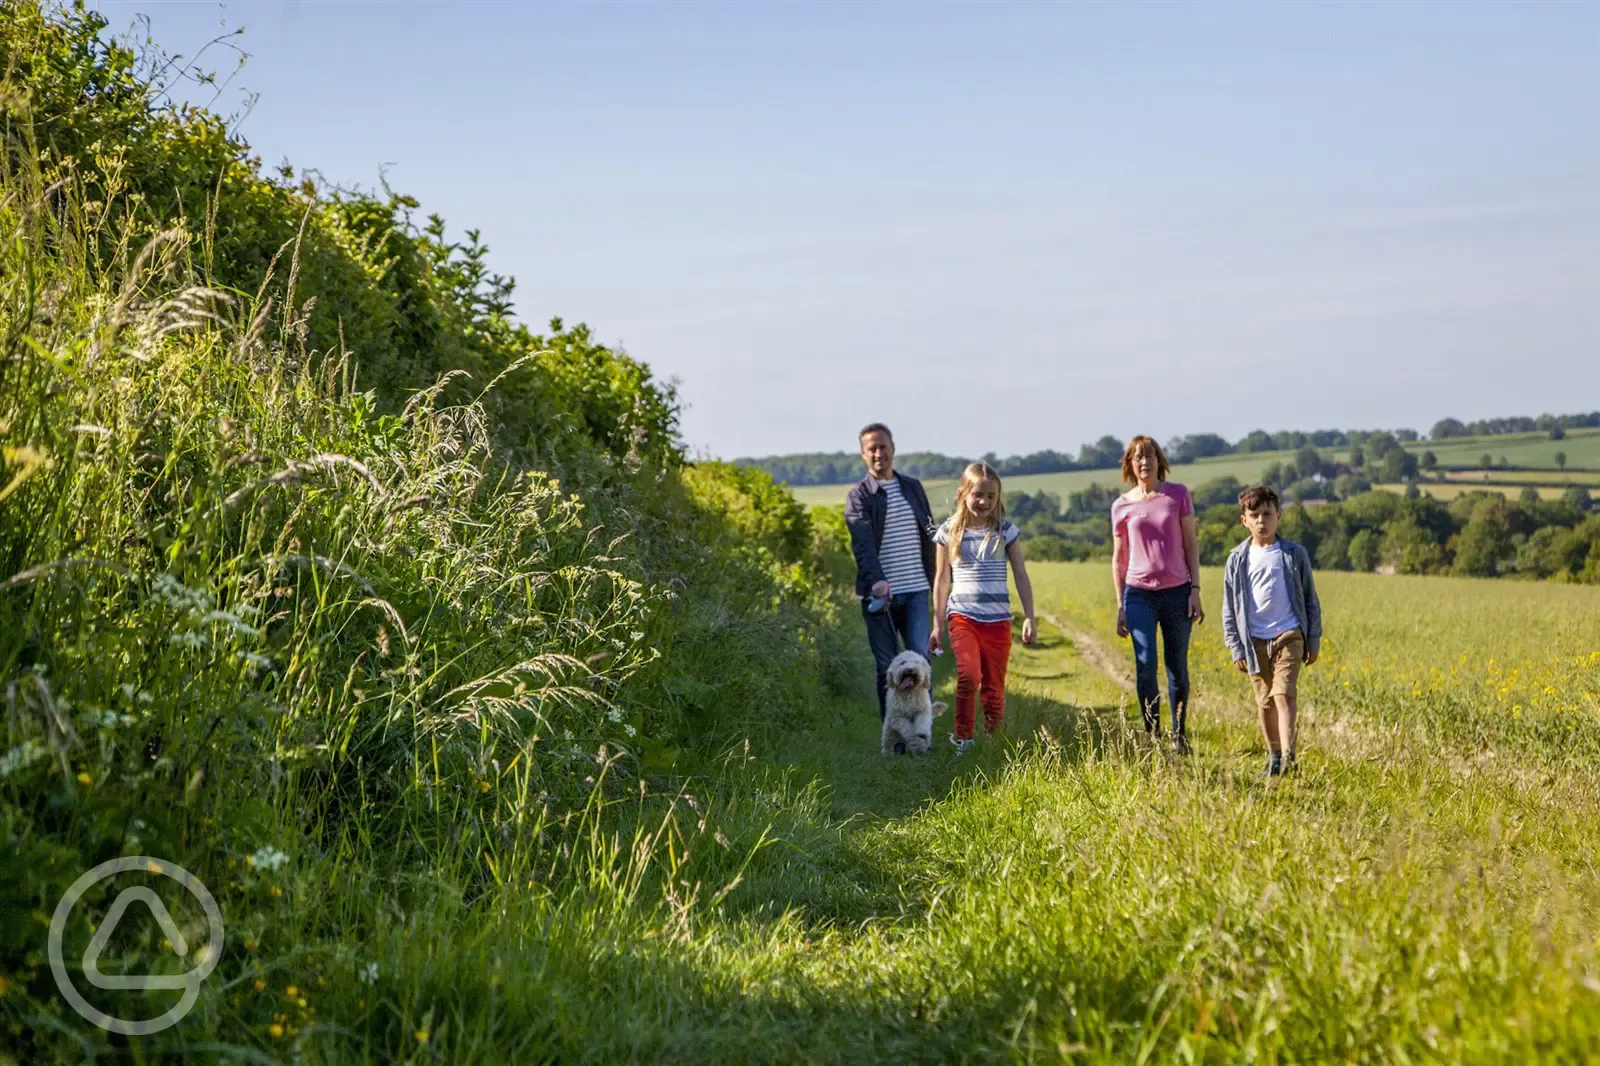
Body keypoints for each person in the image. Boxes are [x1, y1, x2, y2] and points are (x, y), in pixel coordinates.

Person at [929, 462, 1036, 754]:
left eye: (991, 496)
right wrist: (937, 624)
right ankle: (963, 738)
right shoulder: (948, 531)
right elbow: (941, 580)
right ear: (963, 493)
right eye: (978, 494)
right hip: (963, 617)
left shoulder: (1005, 531)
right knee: (968, 675)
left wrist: (1029, 616)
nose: (984, 502)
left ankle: (993, 740)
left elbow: (1021, 575)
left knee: (993, 688)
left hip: (998, 621)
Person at [1221, 484, 1323, 776]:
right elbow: (1230, 608)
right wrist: (1236, 648)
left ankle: (1291, 756)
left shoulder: (1293, 554)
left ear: (1279, 516)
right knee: (1265, 702)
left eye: (1267, 514)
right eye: (1254, 515)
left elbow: (1309, 599)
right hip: (1254, 640)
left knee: (1284, 694)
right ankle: (1274, 756)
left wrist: (1312, 639)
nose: (1261, 521)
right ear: (1244, 520)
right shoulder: (1237, 560)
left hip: (1290, 634)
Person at [1111, 436, 1203, 752]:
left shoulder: (1178, 495)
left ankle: (1180, 734)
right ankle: (1152, 735)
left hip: (1178, 592)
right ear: (1129, 464)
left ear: (1159, 460)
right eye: (1138, 457)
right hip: (1138, 595)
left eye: (1149, 455)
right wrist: (1120, 603)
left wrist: (1195, 589)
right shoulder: (1121, 506)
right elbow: (1119, 557)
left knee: (1177, 664)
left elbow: (1191, 544)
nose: (1144, 462)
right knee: (1145, 661)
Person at [845, 423, 937, 724]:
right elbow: (863, 545)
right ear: (863, 454)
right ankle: (894, 736)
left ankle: (922, 731)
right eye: (871, 448)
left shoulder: (913, 487)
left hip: (916, 590)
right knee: (887, 664)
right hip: (879, 597)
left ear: (893, 449)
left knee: (919, 658)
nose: (878, 453)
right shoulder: (859, 497)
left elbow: (930, 534)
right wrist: (877, 581)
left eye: (883, 446)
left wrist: (940, 575)